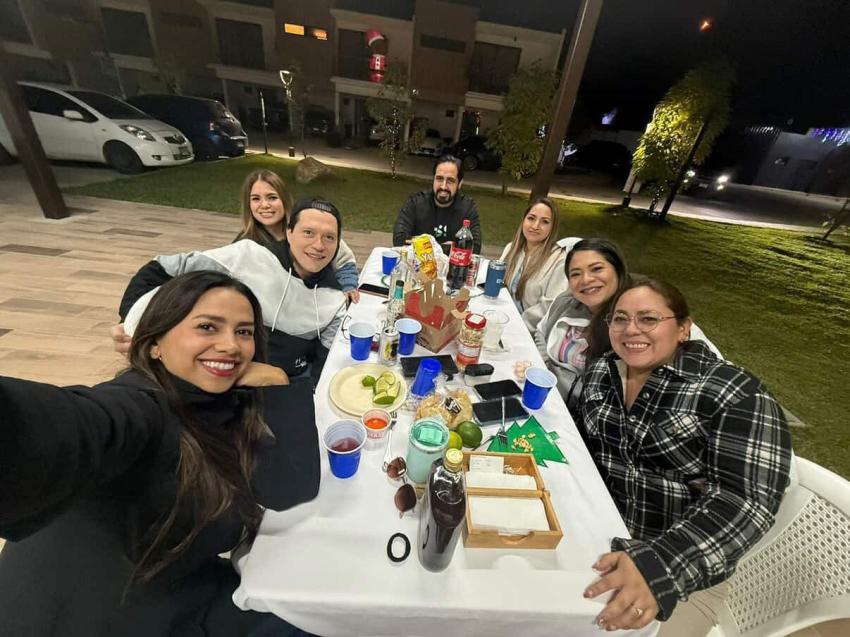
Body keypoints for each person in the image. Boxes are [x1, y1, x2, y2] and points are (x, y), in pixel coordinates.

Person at [0, 271, 320, 637]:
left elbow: (291, 488)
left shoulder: (221, 404)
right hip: (99, 619)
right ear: (155, 344)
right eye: (207, 327)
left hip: (180, 589)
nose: (231, 345)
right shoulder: (139, 407)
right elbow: (58, 428)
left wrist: (279, 384)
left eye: (243, 332)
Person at [580, 277, 792, 635]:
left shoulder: (733, 393)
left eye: (648, 319)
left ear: (683, 329)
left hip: (681, 569)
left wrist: (659, 565)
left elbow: (746, 502)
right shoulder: (603, 371)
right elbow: (586, 444)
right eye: (620, 319)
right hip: (596, 532)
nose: (631, 329)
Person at [116, 197, 347, 386]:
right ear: (289, 232)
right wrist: (132, 326)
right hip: (216, 366)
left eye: (329, 237)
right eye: (308, 233)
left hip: (285, 382)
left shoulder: (336, 298)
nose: (319, 245)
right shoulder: (247, 256)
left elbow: (325, 361)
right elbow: (157, 270)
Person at [533, 238, 631, 413]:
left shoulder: (629, 326)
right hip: (546, 401)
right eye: (575, 274)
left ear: (618, 270)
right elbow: (541, 331)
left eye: (596, 269)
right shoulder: (566, 302)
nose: (586, 279)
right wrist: (543, 370)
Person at [235, 168, 360, 303]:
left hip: (318, 300)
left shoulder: (307, 223)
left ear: (284, 199)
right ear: (248, 204)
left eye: (272, 197)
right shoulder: (245, 244)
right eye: (255, 199)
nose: (265, 205)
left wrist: (348, 285)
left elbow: (344, 261)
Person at [499, 197, 580, 331]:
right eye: (531, 218)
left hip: (528, 330)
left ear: (552, 227)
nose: (535, 226)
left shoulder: (559, 260)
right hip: (501, 317)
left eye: (545, 222)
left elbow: (550, 306)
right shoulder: (511, 249)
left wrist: (516, 325)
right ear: (523, 220)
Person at [393, 154, 482, 253]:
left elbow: (475, 247)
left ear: (460, 183)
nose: (443, 186)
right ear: (434, 179)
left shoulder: (467, 208)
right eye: (439, 178)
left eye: (450, 181)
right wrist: (447, 247)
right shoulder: (415, 202)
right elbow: (399, 240)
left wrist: (420, 243)